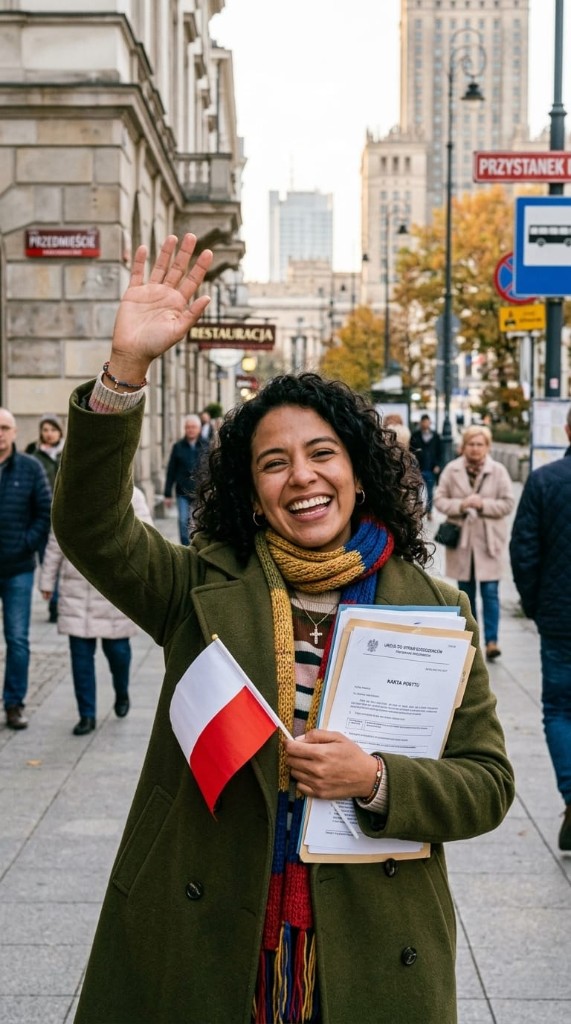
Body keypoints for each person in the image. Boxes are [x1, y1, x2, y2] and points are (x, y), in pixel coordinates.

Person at [52, 234, 514, 1024]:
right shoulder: (200, 586)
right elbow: (92, 528)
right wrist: (124, 374)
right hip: (212, 936)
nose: (300, 476)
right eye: (273, 463)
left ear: (358, 470)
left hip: (365, 946)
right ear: (252, 491)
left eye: (321, 453)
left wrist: (374, 779)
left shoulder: (436, 610)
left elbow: (487, 784)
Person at [40, 486, 154, 735]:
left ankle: (121, 691)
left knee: (119, 654)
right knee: (80, 659)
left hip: (113, 588)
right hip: (76, 587)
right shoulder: (69, 493)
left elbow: (147, 538)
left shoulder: (131, 494)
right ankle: (86, 715)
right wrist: (47, 580)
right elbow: (55, 539)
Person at [509, 407, 571, 852]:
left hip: (560, 616)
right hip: (556, 612)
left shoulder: (546, 481)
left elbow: (524, 549)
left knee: (560, 709)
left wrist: (535, 604)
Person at [434, 424, 515, 663]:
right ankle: (472, 642)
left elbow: (508, 503)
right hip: (463, 543)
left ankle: (492, 641)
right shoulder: (452, 470)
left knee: (490, 593)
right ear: (463, 446)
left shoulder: (498, 471)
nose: (476, 449)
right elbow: (439, 500)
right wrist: (461, 505)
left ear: (487, 447)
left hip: (489, 542)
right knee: (465, 594)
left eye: (480, 444)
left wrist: (483, 505)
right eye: (471, 444)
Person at [0, 407, 52, 730]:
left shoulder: (31, 468)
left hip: (18, 568)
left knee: (17, 639)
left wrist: (26, 543)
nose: (0, 433)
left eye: (5, 427)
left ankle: (14, 703)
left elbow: (44, 513)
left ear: (15, 432)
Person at [26, 413, 65, 622]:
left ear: (60, 432)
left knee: (63, 564)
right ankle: (54, 604)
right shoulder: (34, 456)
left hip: (63, 520)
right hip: (42, 520)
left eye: (53, 429)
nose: (49, 434)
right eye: (45, 430)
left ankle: (59, 602)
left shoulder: (66, 454)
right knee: (48, 562)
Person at [164, 413, 206, 544]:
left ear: (199, 429)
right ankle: (185, 548)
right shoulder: (178, 447)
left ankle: (198, 546)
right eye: (188, 427)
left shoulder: (206, 445)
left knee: (200, 521)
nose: (191, 430)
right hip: (182, 491)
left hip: (200, 491)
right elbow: (171, 471)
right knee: (183, 521)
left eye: (193, 427)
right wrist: (167, 494)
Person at [410, 413, 442, 519]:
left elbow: (440, 452)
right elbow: (411, 451)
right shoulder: (415, 435)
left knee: (430, 492)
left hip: (431, 468)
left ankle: (429, 512)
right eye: (423, 422)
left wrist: (438, 465)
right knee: (417, 491)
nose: (425, 424)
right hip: (418, 468)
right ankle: (418, 511)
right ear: (421, 423)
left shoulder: (436, 436)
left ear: (430, 423)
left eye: (427, 422)